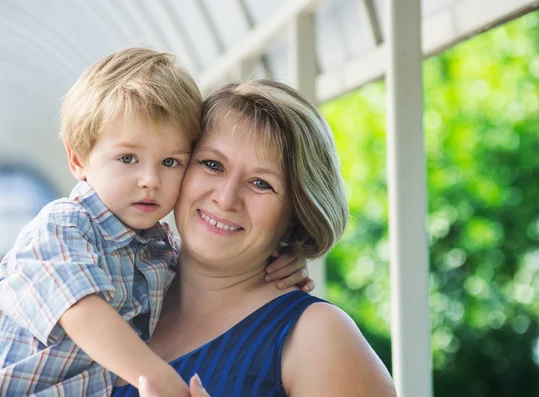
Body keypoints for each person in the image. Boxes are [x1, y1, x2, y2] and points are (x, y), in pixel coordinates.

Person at [0, 49, 311, 397]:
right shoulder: (63, 226)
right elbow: (82, 312)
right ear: (79, 159)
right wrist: (160, 379)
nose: (150, 179)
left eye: (170, 162)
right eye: (128, 158)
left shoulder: (156, 249)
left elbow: (207, 279)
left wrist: (276, 259)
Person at [111, 80, 397, 396]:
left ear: (297, 212)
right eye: (212, 164)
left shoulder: (318, 336)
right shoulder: (115, 286)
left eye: (261, 183)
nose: (226, 198)